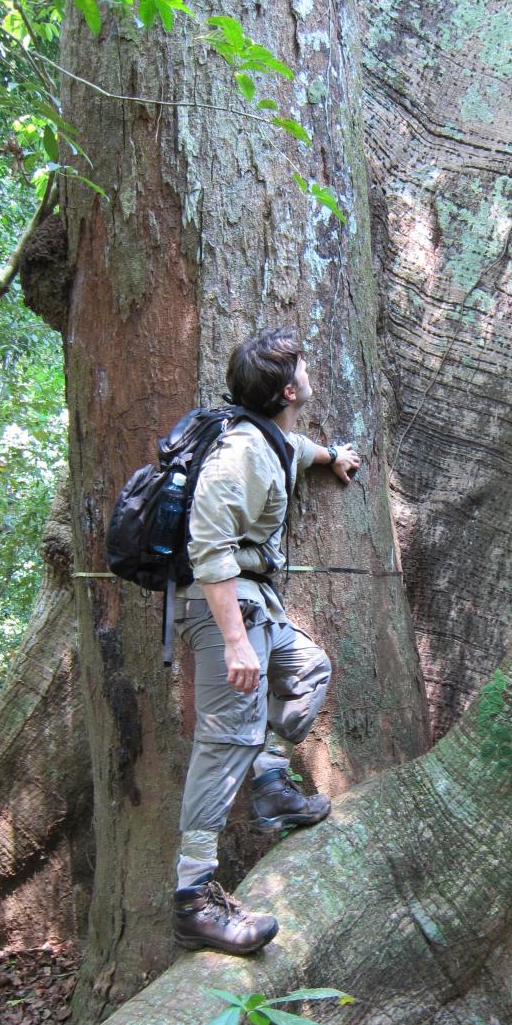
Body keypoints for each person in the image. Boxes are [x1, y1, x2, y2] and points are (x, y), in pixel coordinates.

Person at [171, 326, 360, 956]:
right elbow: (207, 544)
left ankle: (272, 780)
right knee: (225, 743)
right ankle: (194, 899)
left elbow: (291, 448)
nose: (310, 370)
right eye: (303, 366)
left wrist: (330, 455)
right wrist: (234, 642)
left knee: (310, 671)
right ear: (287, 389)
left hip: (258, 606)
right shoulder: (238, 455)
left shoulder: (266, 436)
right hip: (223, 609)